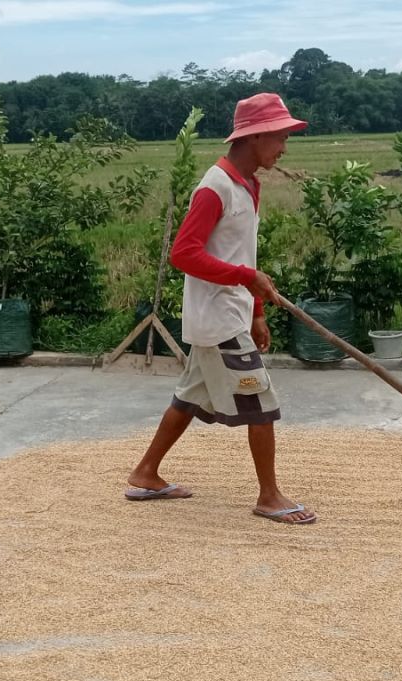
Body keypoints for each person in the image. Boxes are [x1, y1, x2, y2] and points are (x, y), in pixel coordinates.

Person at [125, 93, 317, 525]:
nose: (284, 147)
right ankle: (269, 496)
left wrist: (256, 311)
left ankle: (145, 473)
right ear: (256, 137)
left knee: (190, 396)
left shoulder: (249, 185)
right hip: (216, 317)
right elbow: (184, 254)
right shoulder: (215, 187)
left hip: (230, 312)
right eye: (281, 137)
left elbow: (240, 255)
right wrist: (246, 281)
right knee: (261, 401)